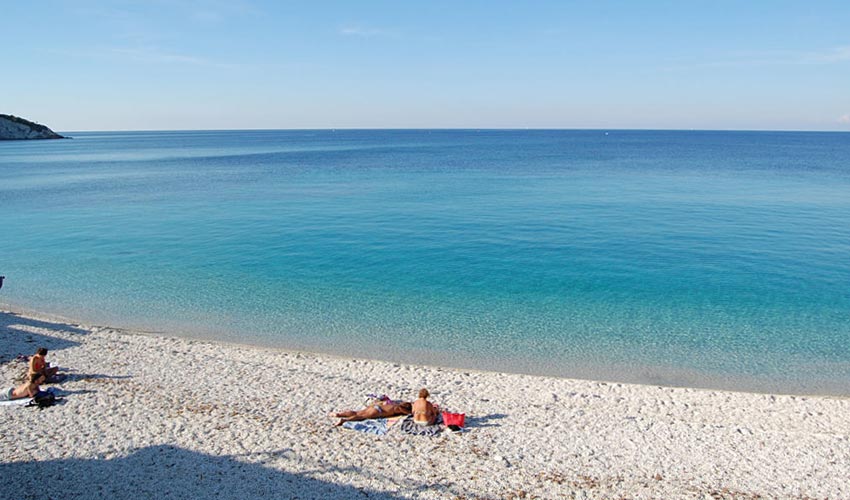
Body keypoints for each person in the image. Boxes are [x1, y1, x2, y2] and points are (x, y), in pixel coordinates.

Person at [333, 400, 412, 426]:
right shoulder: (399, 408)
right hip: (378, 412)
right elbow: (408, 412)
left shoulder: (394, 404)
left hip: (375, 407)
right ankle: (344, 420)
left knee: (357, 412)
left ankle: (338, 414)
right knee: (361, 417)